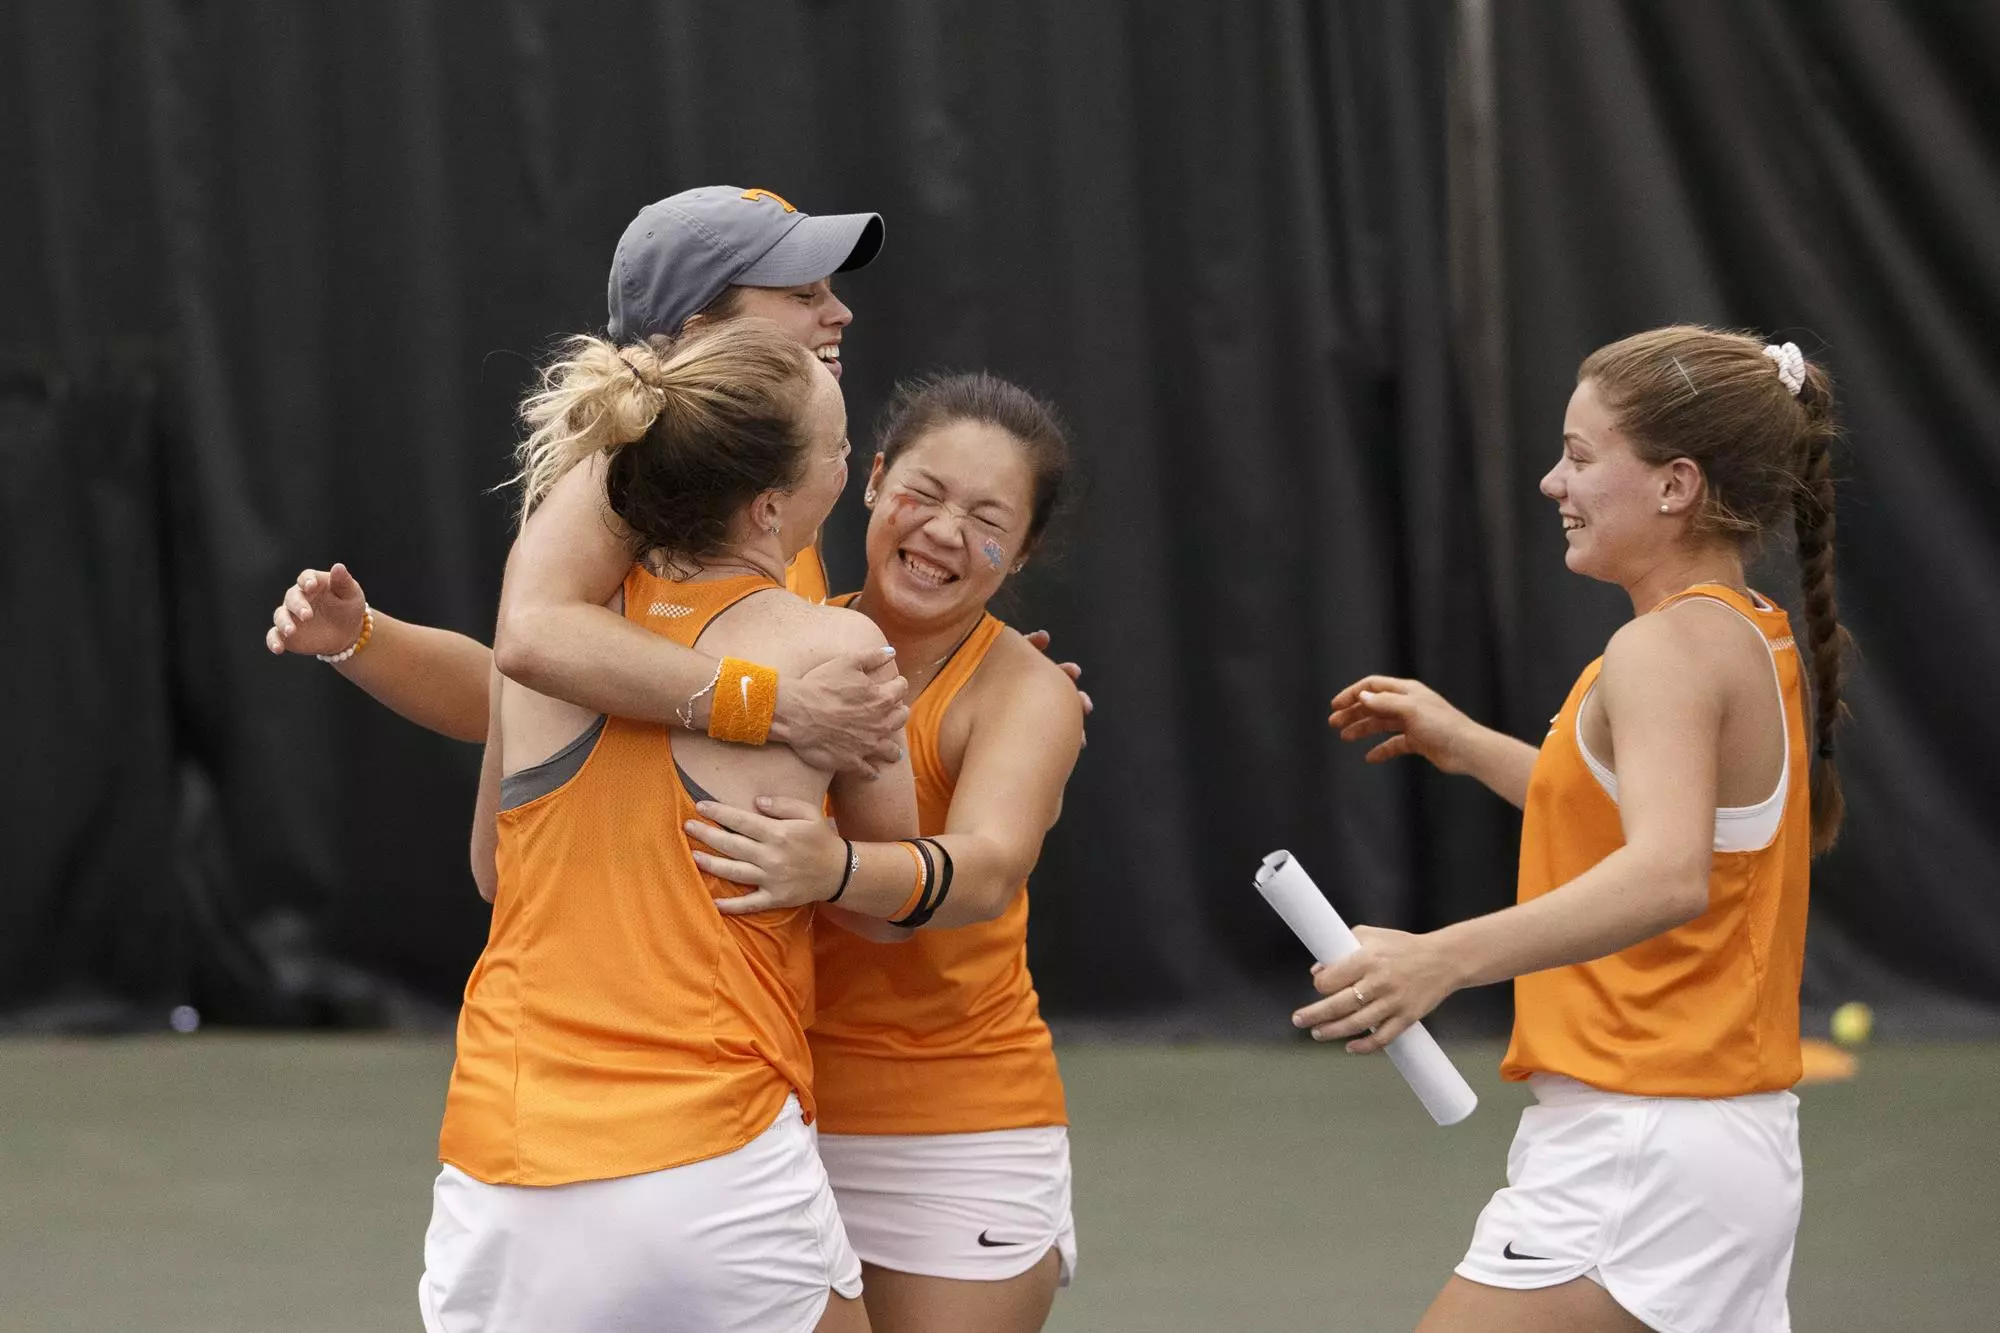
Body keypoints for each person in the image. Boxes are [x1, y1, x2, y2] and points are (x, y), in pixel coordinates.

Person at [1293, 328, 1849, 1333]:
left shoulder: (1660, 650)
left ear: (1675, 485)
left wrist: (1436, 958)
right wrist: (1468, 745)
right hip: (1717, 1146)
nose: (1553, 481)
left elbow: (1667, 873)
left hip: (1642, 1146)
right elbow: (1656, 824)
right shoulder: (1742, 627)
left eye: (1581, 456)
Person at [541, 372, 1087, 1333]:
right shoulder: (789, 635)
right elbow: (566, 690)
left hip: (955, 1136)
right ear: (869, 480)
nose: (945, 532)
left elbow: (988, 870)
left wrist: (830, 870)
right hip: (770, 1127)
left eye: (988, 516)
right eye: (925, 491)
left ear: (1025, 549)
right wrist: (365, 641)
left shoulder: (1026, 690)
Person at [422, 317, 914, 1333]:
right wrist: (828, 866)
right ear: (772, 502)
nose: (848, 464)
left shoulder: (545, 646)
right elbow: (890, 910)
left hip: (498, 1173)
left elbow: (489, 869)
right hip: (714, 1161)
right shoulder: (840, 648)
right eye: (836, 448)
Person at [266, 185, 909, 775]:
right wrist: (776, 708)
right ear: (701, 332)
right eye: (804, 295)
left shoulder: (770, 474)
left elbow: (537, 696)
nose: (842, 313)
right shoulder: (626, 461)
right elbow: (532, 644)